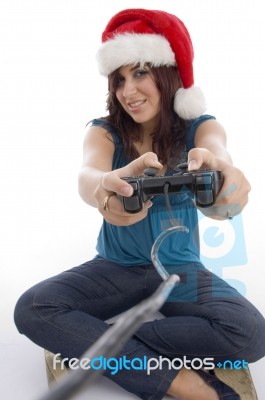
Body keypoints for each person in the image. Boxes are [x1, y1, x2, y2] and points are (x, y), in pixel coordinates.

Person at [14, 8, 265, 400]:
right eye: (119, 79)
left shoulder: (201, 127)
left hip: (179, 271)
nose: (127, 91)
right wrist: (102, 188)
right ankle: (186, 383)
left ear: (168, 74)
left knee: (251, 333)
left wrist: (222, 173)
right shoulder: (105, 132)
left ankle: (92, 348)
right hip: (116, 269)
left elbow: (218, 151)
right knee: (32, 307)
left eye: (141, 73)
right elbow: (88, 173)